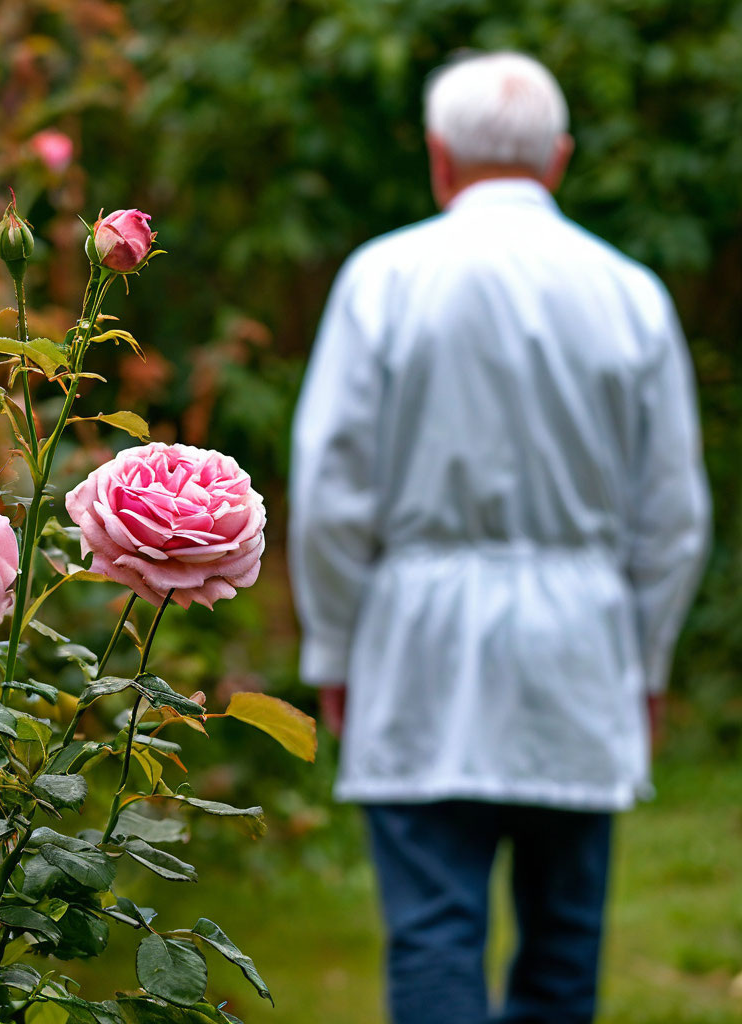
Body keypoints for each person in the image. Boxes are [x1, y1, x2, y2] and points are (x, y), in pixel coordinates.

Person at [288, 50, 711, 1024]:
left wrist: (336, 648)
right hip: (579, 648)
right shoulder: (629, 293)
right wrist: (644, 661)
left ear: (438, 160)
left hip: (419, 642)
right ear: (557, 159)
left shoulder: (382, 279)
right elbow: (671, 511)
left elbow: (333, 488)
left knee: (433, 931)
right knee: (563, 946)